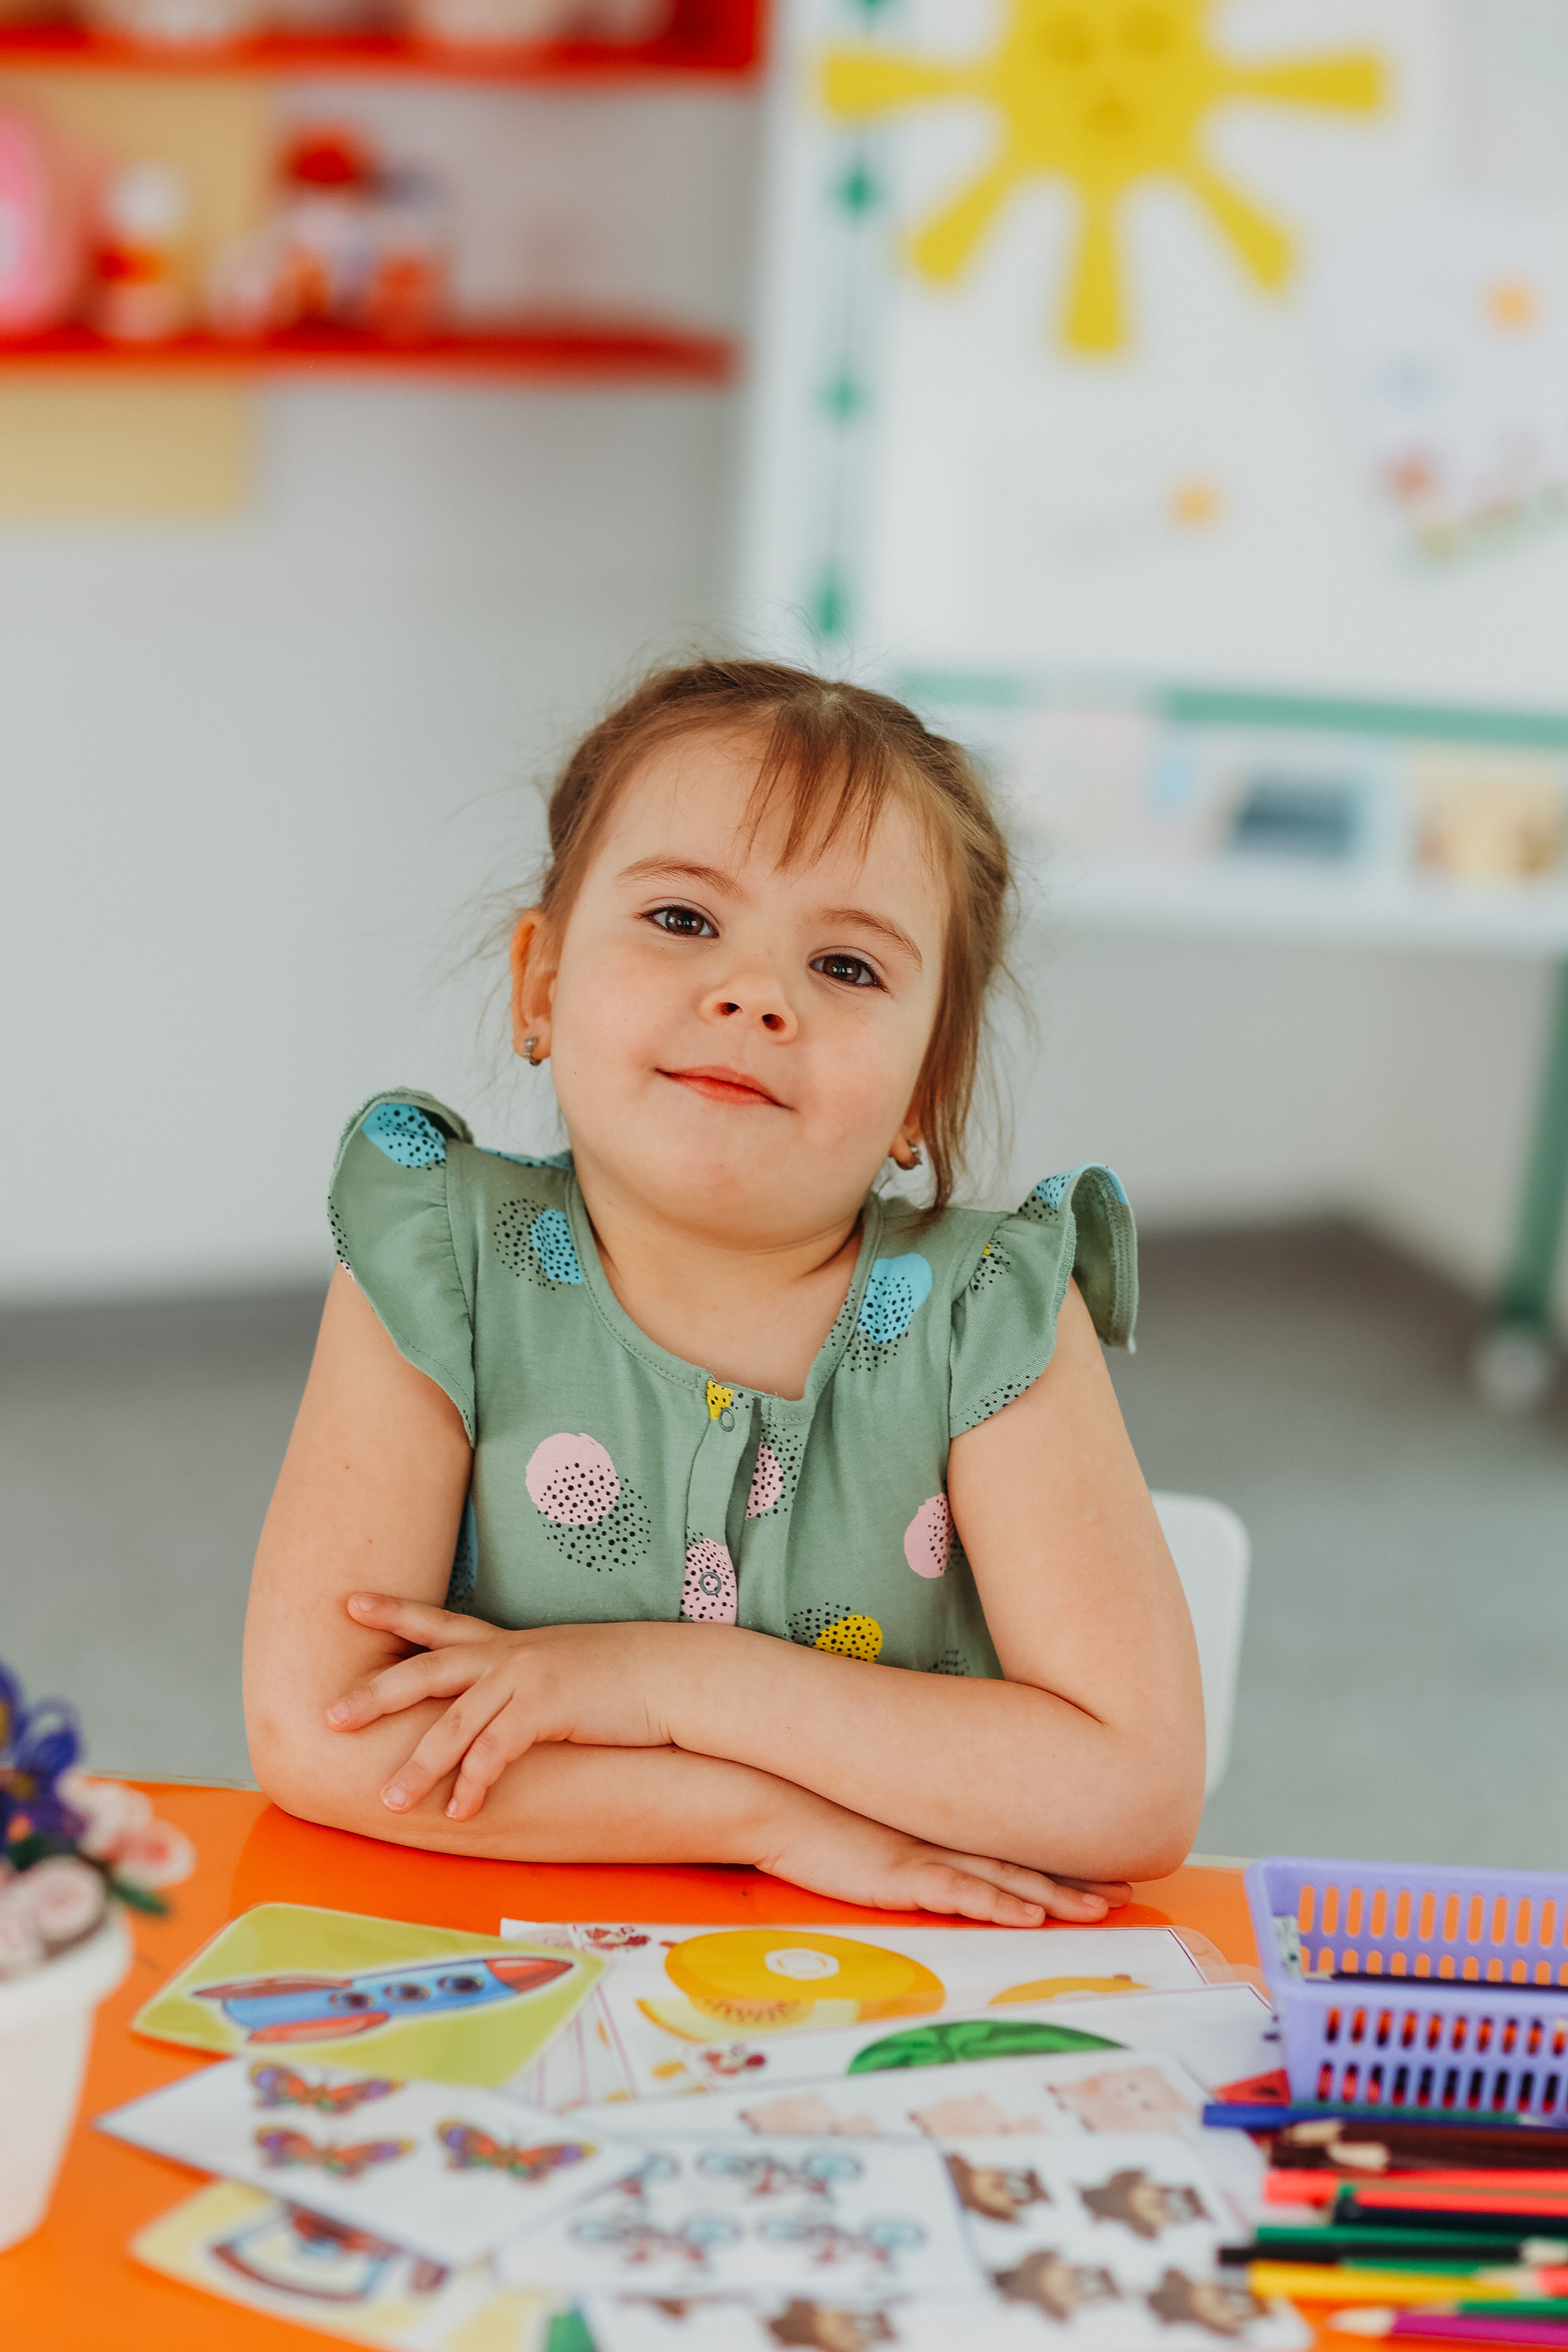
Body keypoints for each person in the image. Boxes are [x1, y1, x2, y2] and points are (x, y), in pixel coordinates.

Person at [244, 658, 1204, 1923]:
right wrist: (761, 1820)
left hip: (894, 1977)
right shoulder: (437, 1259)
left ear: (925, 1086)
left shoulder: (990, 1311)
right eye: (683, 921)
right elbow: (321, 1737)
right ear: (540, 985)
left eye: (848, 968)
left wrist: (666, 1685)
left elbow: (1132, 1794)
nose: (754, 995)